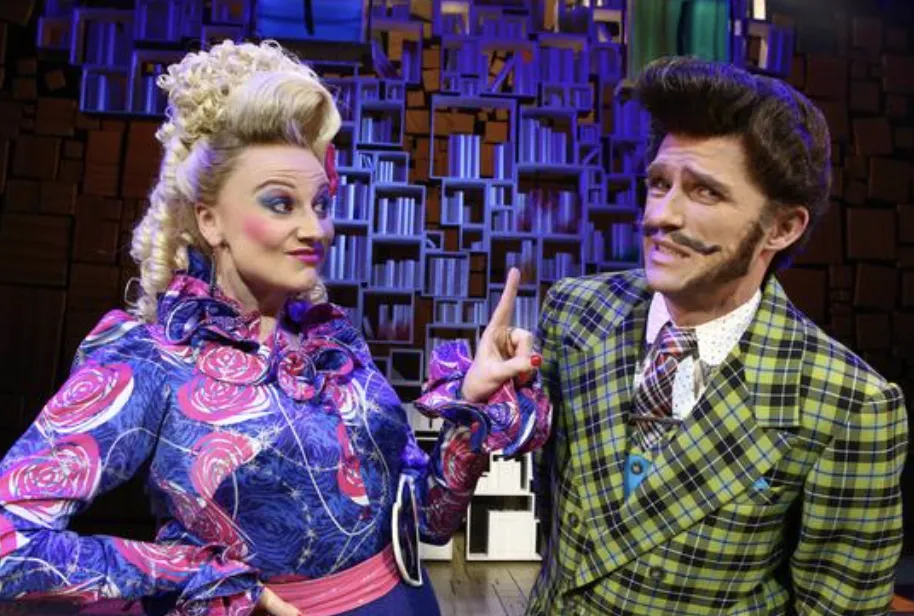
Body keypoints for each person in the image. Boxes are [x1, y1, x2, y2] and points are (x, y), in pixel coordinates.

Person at [0, 40, 550, 616]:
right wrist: (199, 576)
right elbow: (11, 541)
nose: (317, 228)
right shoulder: (149, 361)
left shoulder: (331, 345)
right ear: (209, 219)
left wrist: (471, 402)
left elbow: (428, 522)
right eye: (281, 204)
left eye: (320, 202)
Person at [529, 56, 908, 615]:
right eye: (659, 183)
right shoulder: (574, 312)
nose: (661, 215)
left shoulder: (850, 404)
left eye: (704, 193)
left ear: (782, 227)